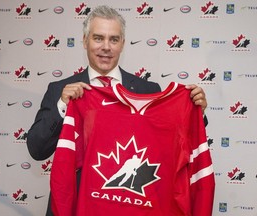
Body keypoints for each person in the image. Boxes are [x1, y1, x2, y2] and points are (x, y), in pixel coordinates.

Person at [26, 5, 209, 216]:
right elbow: (37, 149)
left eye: (113, 39)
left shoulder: (147, 90)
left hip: (132, 206)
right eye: (98, 38)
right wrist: (62, 106)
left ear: (122, 44)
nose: (106, 47)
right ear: (85, 41)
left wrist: (197, 111)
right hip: (76, 207)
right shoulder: (60, 90)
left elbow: (177, 142)